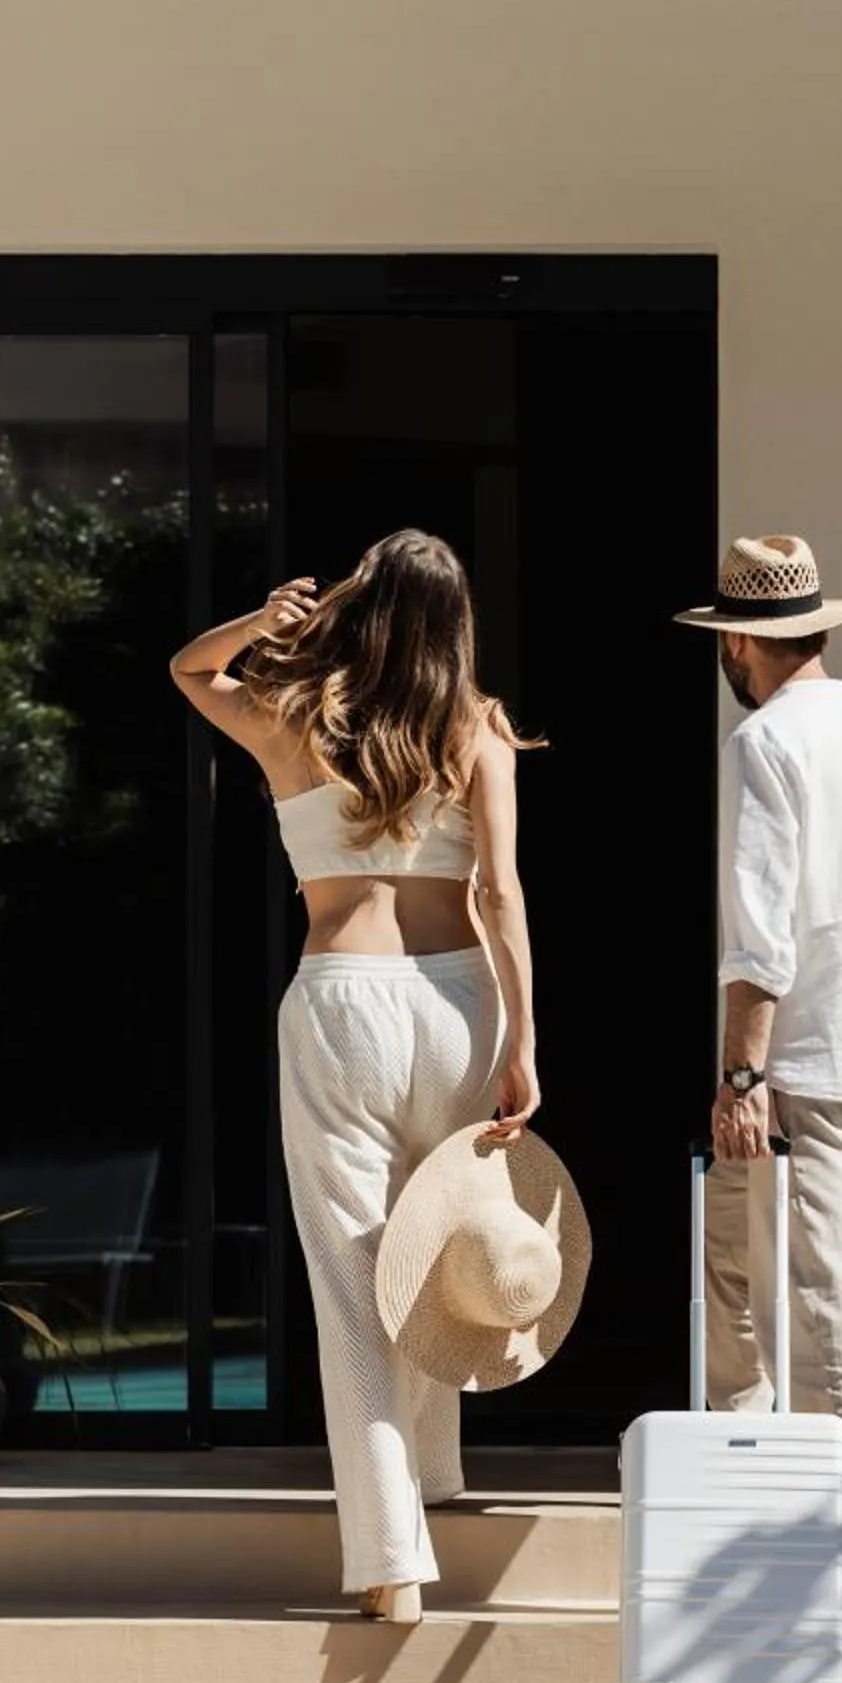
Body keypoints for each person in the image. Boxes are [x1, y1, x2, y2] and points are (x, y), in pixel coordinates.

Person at [170, 531, 539, 1621]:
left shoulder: (293, 717)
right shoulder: (477, 730)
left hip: (343, 995)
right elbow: (503, 895)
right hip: (461, 1001)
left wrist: (265, 622)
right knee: (439, 1252)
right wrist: (523, 1038)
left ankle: (390, 1562)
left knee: (353, 1284)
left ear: (355, 606)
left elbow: (192, 670)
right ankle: (433, 1478)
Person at [675, 535, 842, 1617]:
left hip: (795, 1061)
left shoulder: (767, 742)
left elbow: (761, 929)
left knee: (809, 1302)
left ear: (743, 638)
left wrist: (739, 1080)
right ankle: (759, 1535)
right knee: (747, 1291)